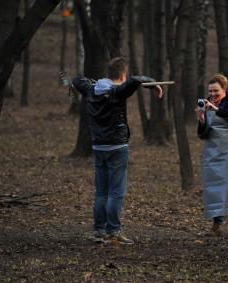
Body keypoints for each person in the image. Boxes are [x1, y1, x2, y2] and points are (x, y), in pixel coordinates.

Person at [72, 57, 163, 245]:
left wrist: (97, 82)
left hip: (98, 146)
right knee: (116, 192)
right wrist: (152, 84)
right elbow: (135, 80)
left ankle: (99, 231)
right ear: (122, 74)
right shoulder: (118, 91)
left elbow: (76, 80)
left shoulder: (91, 90)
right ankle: (112, 231)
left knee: (102, 191)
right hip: (116, 147)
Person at [196, 74, 228, 238]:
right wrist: (202, 119)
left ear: (224, 89)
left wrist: (216, 109)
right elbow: (202, 134)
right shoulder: (205, 103)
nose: (212, 94)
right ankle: (217, 225)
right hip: (211, 152)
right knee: (213, 186)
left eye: (216, 91)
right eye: (210, 91)